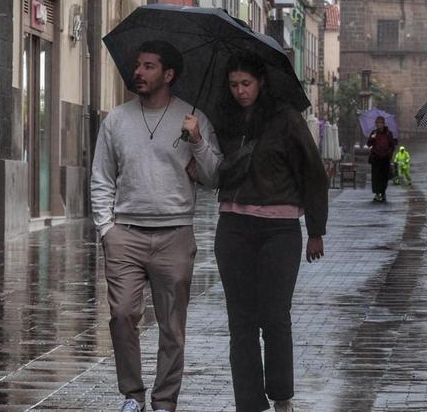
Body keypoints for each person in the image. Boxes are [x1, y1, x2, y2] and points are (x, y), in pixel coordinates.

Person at [91, 40, 222, 412]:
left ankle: (164, 402)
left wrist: (196, 140)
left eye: (148, 66)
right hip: (126, 235)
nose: (138, 72)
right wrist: (106, 228)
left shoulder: (193, 118)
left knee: (172, 328)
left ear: (168, 74)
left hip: (175, 235)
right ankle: (132, 396)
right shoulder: (116, 120)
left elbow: (214, 177)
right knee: (122, 316)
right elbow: (101, 177)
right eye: (137, 65)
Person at [212, 52, 328, 412]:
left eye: (246, 84)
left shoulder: (286, 119)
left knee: (275, 316)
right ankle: (248, 402)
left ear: (260, 83)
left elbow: (313, 174)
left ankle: (281, 396)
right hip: (233, 226)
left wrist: (316, 230)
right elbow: (213, 169)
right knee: (240, 320)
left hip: (279, 228)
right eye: (233, 85)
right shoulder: (225, 119)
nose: (240, 91)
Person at [366, 116, 397, 202]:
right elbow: (368, 144)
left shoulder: (388, 133)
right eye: (377, 123)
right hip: (376, 158)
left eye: (380, 123)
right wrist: (372, 138)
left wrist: (389, 153)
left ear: (383, 124)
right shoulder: (374, 132)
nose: (378, 125)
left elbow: (392, 145)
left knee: (384, 177)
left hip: (385, 159)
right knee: (376, 177)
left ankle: (383, 193)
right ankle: (377, 193)